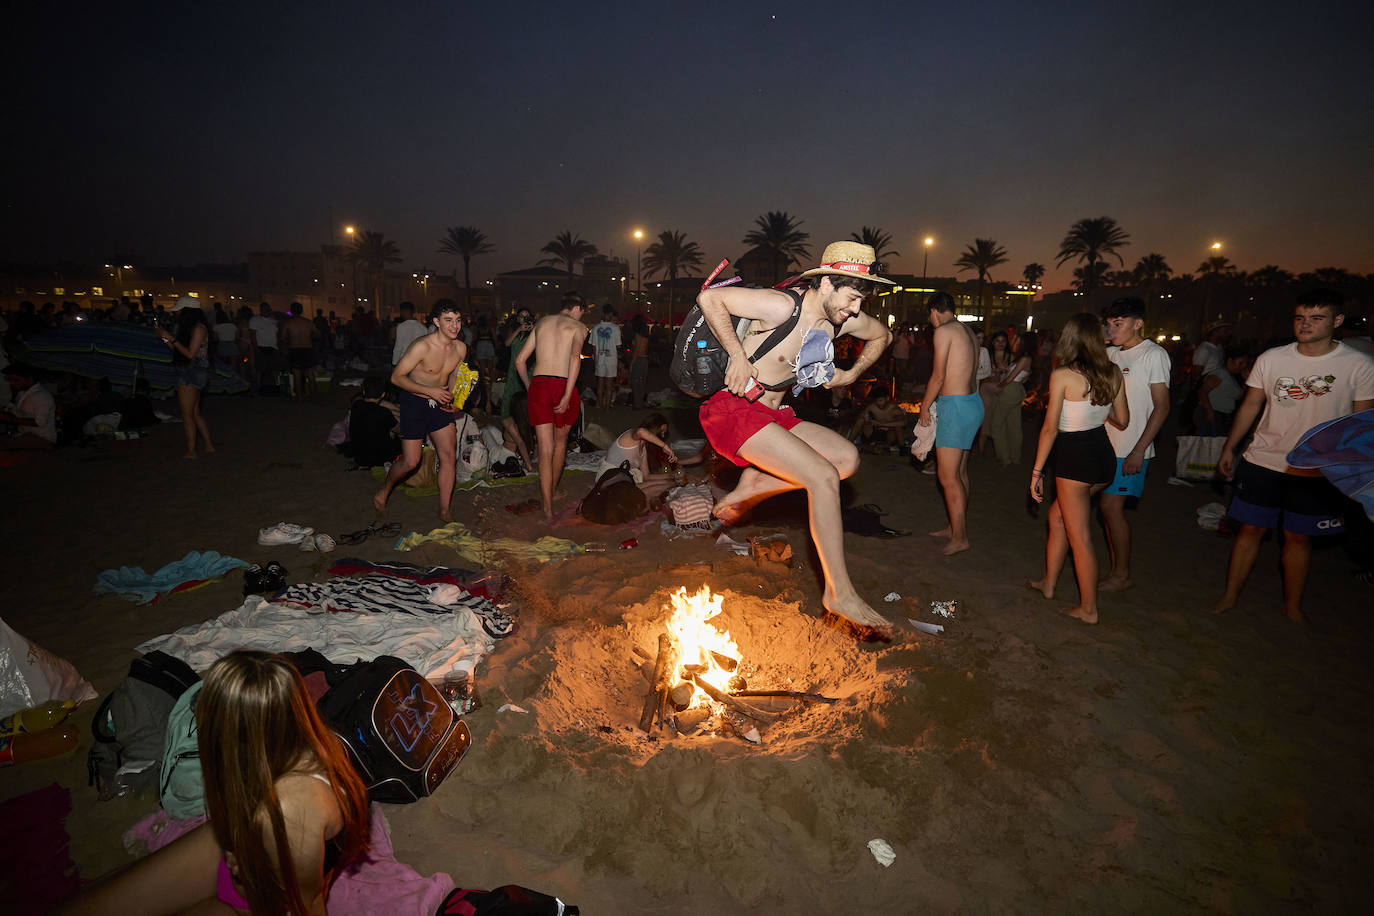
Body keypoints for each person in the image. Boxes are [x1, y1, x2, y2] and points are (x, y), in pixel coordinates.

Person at [55, 650, 370, 916]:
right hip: (238, 852)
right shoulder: (299, 740)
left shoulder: (291, 809)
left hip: (257, 902)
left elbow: (307, 904)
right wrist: (236, 846)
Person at [696, 240, 894, 638]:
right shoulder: (782, 305)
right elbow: (709, 298)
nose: (856, 310)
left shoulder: (842, 319)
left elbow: (882, 336)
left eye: (860, 301)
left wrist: (851, 374)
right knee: (820, 476)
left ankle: (752, 485)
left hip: (774, 415)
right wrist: (737, 355)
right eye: (852, 297)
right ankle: (839, 592)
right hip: (732, 411)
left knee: (846, 459)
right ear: (826, 284)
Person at [1211, 290, 1374, 621]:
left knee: (1298, 537)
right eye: (1300, 317)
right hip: (1263, 461)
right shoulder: (1272, 359)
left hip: (1315, 470)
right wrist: (1230, 446)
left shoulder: (1358, 365)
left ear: (1337, 321)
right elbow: (1251, 405)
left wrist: (1354, 474)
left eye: (1316, 318)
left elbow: (1360, 426)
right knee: (1249, 531)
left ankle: (1292, 606)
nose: (1306, 324)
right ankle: (1229, 596)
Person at [1027, 314, 1130, 624]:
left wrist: (1036, 472)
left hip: (1076, 459)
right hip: (1102, 456)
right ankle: (1048, 583)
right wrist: (1097, 407)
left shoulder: (1062, 375)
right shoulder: (1112, 372)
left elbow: (1049, 429)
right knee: (1058, 517)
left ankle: (1088, 609)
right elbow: (1123, 420)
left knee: (1080, 536)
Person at [1099, 297, 1171, 591]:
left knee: (1111, 507)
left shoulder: (1153, 355)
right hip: (1104, 444)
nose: (1112, 330)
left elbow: (1162, 406)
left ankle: (1121, 574)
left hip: (1130, 448)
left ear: (1138, 323)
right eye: (1109, 324)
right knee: (1105, 510)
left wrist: (1140, 449)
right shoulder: (1112, 354)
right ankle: (1116, 566)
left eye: (1119, 323)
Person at [373, 300, 467, 521]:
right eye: (448, 321)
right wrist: (430, 391)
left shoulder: (461, 348)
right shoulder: (422, 346)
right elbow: (396, 377)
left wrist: (455, 399)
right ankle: (384, 492)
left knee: (448, 458)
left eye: (458, 320)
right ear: (436, 322)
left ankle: (444, 511)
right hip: (414, 403)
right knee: (411, 462)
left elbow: (454, 375)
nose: (455, 326)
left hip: (441, 404)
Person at [515, 292, 588, 520]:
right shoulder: (578, 327)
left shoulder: (542, 323)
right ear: (576, 309)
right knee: (560, 443)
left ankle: (547, 507)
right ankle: (554, 491)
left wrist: (529, 386)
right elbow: (575, 358)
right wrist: (566, 395)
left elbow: (520, 361)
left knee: (544, 449)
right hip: (562, 384)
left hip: (539, 384)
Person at [920, 291, 983, 555]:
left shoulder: (944, 331)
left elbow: (938, 376)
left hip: (956, 407)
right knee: (960, 473)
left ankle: (960, 537)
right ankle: (954, 527)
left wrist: (924, 407)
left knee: (947, 476)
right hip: (972, 404)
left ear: (934, 311)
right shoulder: (967, 331)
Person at [156, 296, 215, 458]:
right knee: (194, 412)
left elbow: (189, 354)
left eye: (180, 310)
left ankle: (191, 451)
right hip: (194, 372)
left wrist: (171, 338)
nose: (177, 314)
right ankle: (208, 446)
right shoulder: (191, 327)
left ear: (187, 311)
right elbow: (179, 350)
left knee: (187, 414)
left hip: (192, 373)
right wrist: (165, 337)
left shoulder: (198, 328)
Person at [597, 413, 691, 502]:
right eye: (661, 432)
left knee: (669, 483)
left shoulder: (643, 449)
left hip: (626, 480)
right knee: (661, 487)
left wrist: (671, 475)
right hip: (610, 479)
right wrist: (664, 446)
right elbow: (641, 431)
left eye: (664, 433)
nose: (663, 436)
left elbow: (646, 476)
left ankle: (638, 498)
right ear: (653, 429)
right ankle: (632, 499)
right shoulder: (632, 436)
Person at [988, 331, 1034, 466]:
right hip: (1016, 390)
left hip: (1010, 390)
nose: (1012, 342)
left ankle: (1005, 456)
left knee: (996, 425)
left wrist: (999, 388)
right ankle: (1015, 456)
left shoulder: (1024, 358)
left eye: (1016, 341)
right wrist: (1004, 369)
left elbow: (1010, 379)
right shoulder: (1023, 358)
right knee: (1014, 425)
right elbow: (1022, 377)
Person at [0, 362, 57, 450]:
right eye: (10, 380)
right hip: (24, 435)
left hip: (42, 438)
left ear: (29, 379)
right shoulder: (21, 393)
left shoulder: (41, 396)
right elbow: (16, 413)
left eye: (16, 380)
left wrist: (10, 419)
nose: (12, 383)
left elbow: (39, 422)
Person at [1194, 347, 1249, 436]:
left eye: (1244, 364)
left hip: (1222, 416)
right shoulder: (1219, 374)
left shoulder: (1232, 378)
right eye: (1240, 363)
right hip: (1212, 414)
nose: (1242, 367)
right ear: (1230, 360)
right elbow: (1202, 392)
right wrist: (1209, 412)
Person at [348, 376, 399, 469]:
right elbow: (400, 430)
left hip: (359, 457)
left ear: (363, 392)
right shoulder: (384, 413)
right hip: (380, 459)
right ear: (383, 395)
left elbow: (360, 400)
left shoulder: (356, 405)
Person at [977, 330, 1010, 452]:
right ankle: (981, 449)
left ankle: (1000, 450)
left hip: (1003, 390)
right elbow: (982, 377)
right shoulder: (987, 355)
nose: (1000, 344)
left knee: (1000, 420)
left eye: (1003, 341)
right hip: (987, 390)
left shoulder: (1010, 357)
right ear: (993, 342)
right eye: (997, 341)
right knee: (986, 419)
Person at [283, 302, 320, 401]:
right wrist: (308, 337)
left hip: (295, 349)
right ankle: (313, 396)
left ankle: (299, 397)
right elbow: (317, 335)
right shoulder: (308, 322)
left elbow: (283, 338)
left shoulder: (288, 323)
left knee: (297, 375)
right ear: (301, 310)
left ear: (291, 310)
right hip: (307, 349)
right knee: (310, 374)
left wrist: (287, 345)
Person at [590, 304, 622, 410]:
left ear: (602, 313)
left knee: (600, 383)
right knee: (609, 385)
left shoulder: (595, 328)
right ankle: (607, 407)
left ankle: (600, 405)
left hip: (600, 359)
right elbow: (618, 345)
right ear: (611, 314)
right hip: (611, 359)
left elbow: (593, 346)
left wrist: (596, 358)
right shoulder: (616, 328)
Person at [250, 303, 279, 390]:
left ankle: (274, 387)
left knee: (274, 369)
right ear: (261, 309)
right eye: (264, 309)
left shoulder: (274, 321)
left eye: (268, 309)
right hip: (261, 347)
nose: (266, 310)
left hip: (273, 348)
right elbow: (252, 334)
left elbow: (277, 334)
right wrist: (255, 348)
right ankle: (257, 388)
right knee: (259, 369)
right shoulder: (254, 320)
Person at [390, 301, 429, 367]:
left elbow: (398, 346)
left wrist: (394, 363)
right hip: (418, 362)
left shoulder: (401, 326)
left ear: (403, 311)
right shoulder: (423, 327)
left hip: (404, 361)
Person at [629, 314, 651, 409]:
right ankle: (640, 403)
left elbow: (636, 351)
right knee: (642, 382)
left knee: (635, 382)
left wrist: (631, 364)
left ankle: (637, 404)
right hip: (645, 359)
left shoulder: (638, 335)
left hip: (639, 359)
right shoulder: (646, 334)